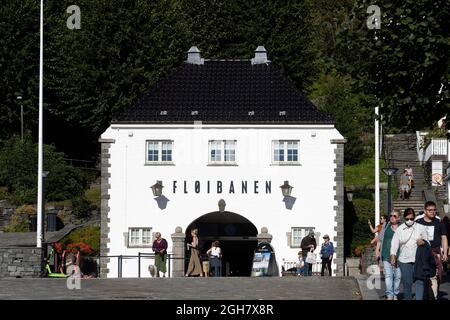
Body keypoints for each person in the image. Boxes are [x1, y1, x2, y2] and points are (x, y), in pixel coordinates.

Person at [390, 208, 428, 300]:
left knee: (419, 281)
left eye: (411, 219)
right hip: (404, 259)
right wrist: (393, 256)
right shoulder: (400, 229)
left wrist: (423, 242)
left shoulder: (421, 227)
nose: (409, 221)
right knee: (407, 282)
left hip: (419, 259)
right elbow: (394, 244)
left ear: (414, 218)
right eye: (407, 219)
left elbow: (427, 243)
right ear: (404, 218)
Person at [415, 201, 448, 299]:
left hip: (435, 253)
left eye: (434, 210)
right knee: (423, 278)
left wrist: (445, 253)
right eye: (430, 210)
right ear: (425, 211)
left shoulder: (439, 223)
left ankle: (434, 296)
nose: (432, 212)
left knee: (436, 277)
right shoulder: (418, 223)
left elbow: (444, 238)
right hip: (422, 253)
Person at [376, 209, 401, 300]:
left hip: (399, 256)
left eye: (394, 216)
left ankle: (395, 293)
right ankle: (390, 295)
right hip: (386, 255)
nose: (392, 217)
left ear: (398, 218)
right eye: (391, 215)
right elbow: (380, 239)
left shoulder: (402, 227)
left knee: (397, 276)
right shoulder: (385, 226)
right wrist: (377, 251)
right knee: (389, 275)